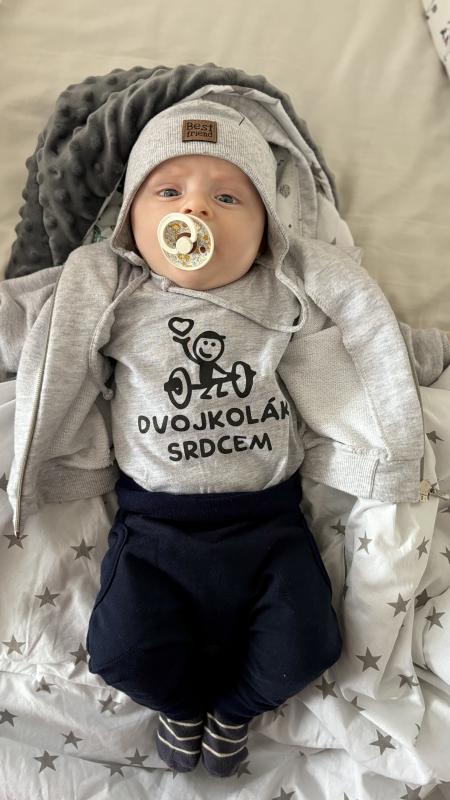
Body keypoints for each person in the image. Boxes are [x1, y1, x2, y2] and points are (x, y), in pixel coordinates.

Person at [1, 99, 449, 778]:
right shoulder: (111, 288)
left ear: (266, 228)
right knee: (119, 652)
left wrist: (433, 352)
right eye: (169, 192)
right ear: (131, 222)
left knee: (309, 647)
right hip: (154, 531)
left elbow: (368, 340)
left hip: (269, 527)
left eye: (229, 197)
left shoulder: (284, 292)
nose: (197, 209)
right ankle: (182, 709)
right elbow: (26, 319)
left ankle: (235, 711)